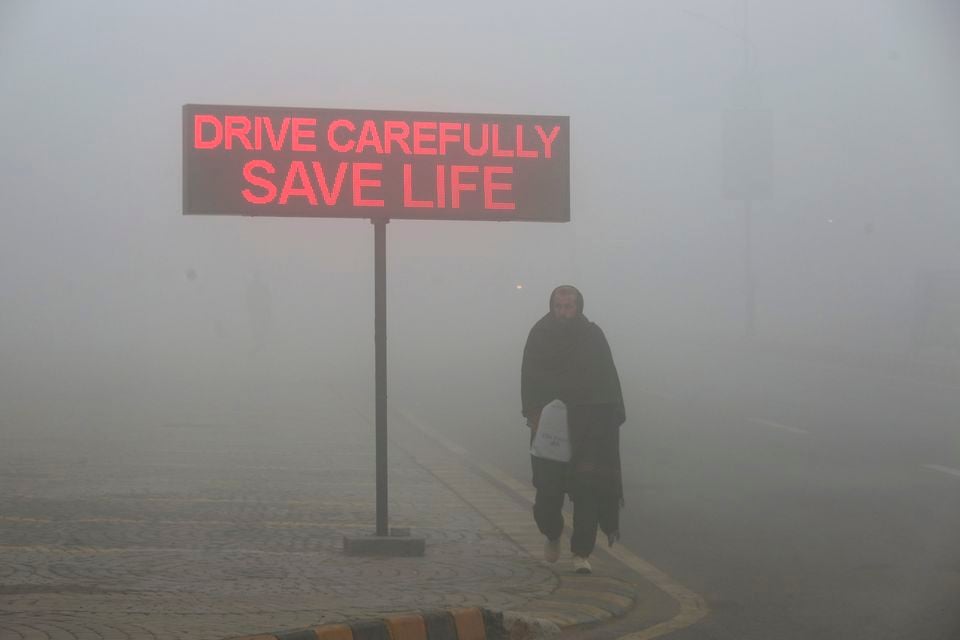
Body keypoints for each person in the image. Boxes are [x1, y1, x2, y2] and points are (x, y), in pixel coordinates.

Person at [521, 285, 626, 574]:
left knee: (587, 490)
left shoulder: (592, 336)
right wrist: (533, 413)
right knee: (548, 493)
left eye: (569, 306)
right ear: (552, 306)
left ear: (578, 307)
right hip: (550, 426)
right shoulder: (540, 335)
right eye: (559, 306)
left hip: (587, 426)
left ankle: (582, 553)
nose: (564, 312)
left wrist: (609, 413)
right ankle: (552, 533)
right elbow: (529, 377)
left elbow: (608, 377)